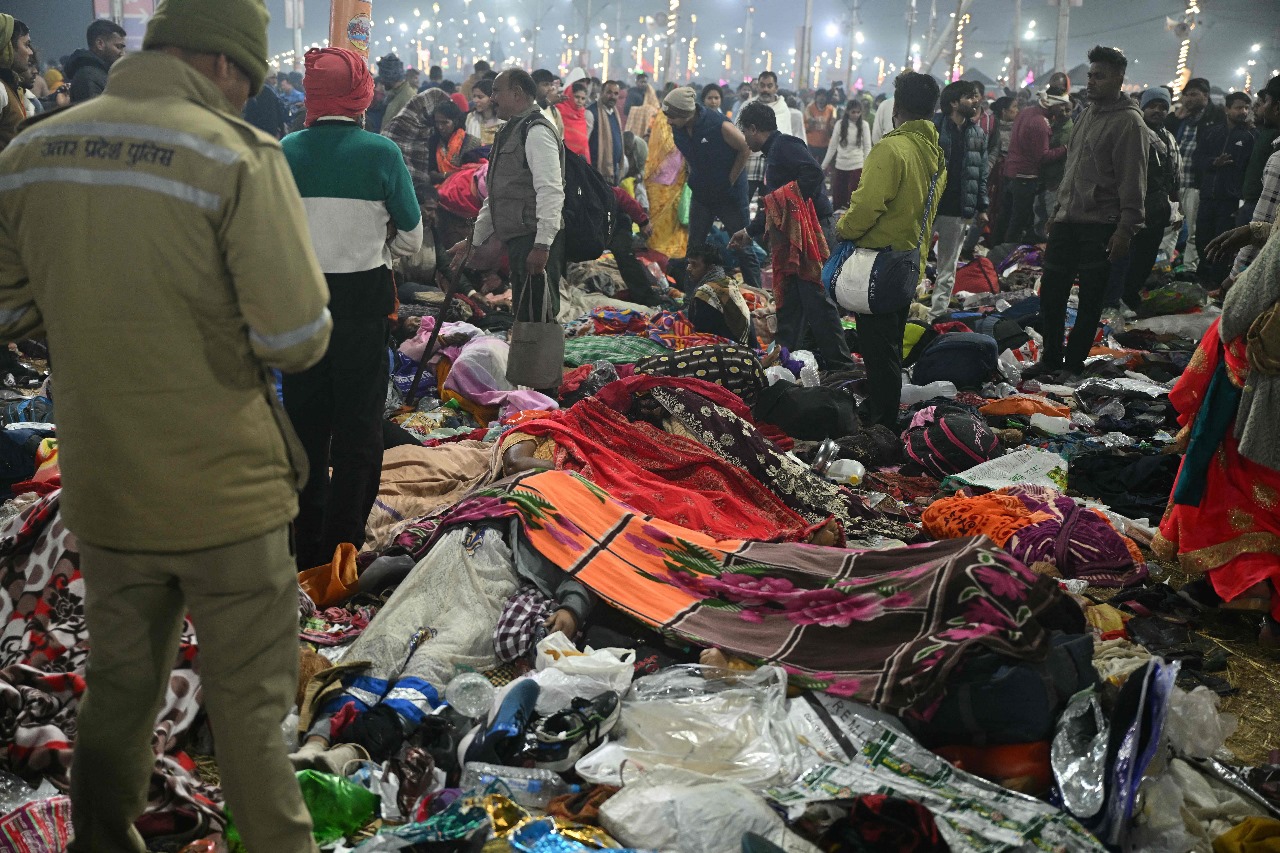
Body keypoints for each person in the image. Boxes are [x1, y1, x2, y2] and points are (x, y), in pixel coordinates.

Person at [0, 0, 334, 848]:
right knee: (251, 713)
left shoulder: (31, 152)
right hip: (228, 492)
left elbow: (8, 308)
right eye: (247, 79)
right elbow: (296, 337)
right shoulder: (236, 155)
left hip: (106, 484)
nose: (247, 95)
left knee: (118, 688)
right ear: (222, 63)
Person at [281, 46, 421, 573]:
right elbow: (411, 238)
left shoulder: (285, 151)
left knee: (306, 426)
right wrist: (376, 246)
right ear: (361, 95)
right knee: (359, 429)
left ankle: (306, 539)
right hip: (362, 309)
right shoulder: (381, 153)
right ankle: (344, 543)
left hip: (300, 309)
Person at [1155, 223, 1280, 646]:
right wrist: (1262, 231)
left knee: (1237, 475)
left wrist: (1230, 316)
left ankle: (1248, 582)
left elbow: (1247, 303)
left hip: (1265, 384)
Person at [1030, 45, 1148, 381]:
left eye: (1101, 76)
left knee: (1090, 300)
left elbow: (1133, 179)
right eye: (1091, 75)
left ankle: (1072, 364)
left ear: (1119, 79)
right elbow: (1071, 169)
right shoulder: (1086, 114)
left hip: (1100, 225)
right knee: (1052, 293)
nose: (1092, 82)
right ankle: (1051, 359)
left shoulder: (1129, 122)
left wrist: (1125, 230)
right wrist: (1058, 210)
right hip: (1067, 220)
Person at [836, 71, 945, 428]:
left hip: (879, 264)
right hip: (910, 260)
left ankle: (882, 423)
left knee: (877, 349)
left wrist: (842, 229)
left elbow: (867, 207)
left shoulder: (891, 149)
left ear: (896, 108)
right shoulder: (934, 152)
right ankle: (884, 411)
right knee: (891, 345)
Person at [733, 101, 854, 370]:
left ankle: (842, 365)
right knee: (790, 300)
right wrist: (750, 231)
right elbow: (774, 205)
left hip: (813, 230)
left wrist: (790, 204)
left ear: (754, 128)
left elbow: (813, 174)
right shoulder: (774, 152)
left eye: (745, 133)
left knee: (816, 298)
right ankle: (785, 360)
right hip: (795, 234)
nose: (745, 140)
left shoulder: (785, 145)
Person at [453, 69, 564, 354]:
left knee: (538, 318)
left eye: (496, 91)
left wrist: (542, 244)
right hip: (520, 241)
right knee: (525, 317)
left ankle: (543, 378)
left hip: (533, 240)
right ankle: (528, 376)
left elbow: (551, 191)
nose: (492, 98)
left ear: (516, 94)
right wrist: (473, 240)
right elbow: (497, 195)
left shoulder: (536, 131)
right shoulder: (511, 130)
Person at [662, 86, 761, 288]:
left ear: (685, 113)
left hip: (729, 196)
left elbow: (745, 148)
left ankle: (757, 295)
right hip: (702, 194)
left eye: (672, 116)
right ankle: (692, 296)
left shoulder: (718, 125)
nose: (668, 121)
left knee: (742, 247)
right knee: (694, 248)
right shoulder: (678, 127)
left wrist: (729, 181)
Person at [1110, 87, 1180, 313]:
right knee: (1124, 258)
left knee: (1145, 258)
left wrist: (1175, 208)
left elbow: (1173, 177)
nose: (1157, 111)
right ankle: (1115, 299)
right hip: (1132, 208)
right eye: (1152, 106)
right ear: (1142, 107)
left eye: (1162, 107)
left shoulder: (1168, 137)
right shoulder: (1133, 133)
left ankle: (1130, 295)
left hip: (1157, 210)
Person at [929, 80, 989, 320]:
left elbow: (980, 173)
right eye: (970, 97)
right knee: (913, 260)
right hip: (929, 207)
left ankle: (936, 315)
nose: (976, 101)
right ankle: (905, 309)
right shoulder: (933, 127)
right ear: (954, 102)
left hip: (958, 209)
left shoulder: (977, 134)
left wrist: (982, 207)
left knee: (948, 266)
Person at [1193, 91, 1256, 290]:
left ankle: (1217, 281)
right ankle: (1202, 276)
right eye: (1238, 107)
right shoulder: (1212, 132)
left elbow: (1249, 169)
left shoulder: (1250, 136)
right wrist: (1214, 162)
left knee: (1223, 241)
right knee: (1202, 237)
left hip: (1229, 200)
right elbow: (1197, 159)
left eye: (1246, 108)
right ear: (1227, 109)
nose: (1243, 112)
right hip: (1208, 196)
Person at [997, 90, 1068, 244]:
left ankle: (997, 247)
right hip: (1025, 176)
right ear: (1051, 104)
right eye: (1061, 106)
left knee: (1006, 215)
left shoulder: (1026, 112)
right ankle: (1008, 250)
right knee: (1019, 220)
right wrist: (1065, 148)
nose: (1063, 110)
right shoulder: (1040, 123)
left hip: (1011, 172)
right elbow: (1042, 156)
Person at [1166, 77, 1222, 271]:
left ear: (1205, 95)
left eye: (1193, 95)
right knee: (1170, 227)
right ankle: (1163, 267)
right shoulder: (1183, 118)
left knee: (1193, 231)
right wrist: (1175, 118)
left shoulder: (1215, 117)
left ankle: (1190, 269)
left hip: (1196, 183)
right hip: (1175, 183)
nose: (1188, 99)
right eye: (1186, 95)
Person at [738, 71, 802, 203]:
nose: (765, 89)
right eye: (762, 85)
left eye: (769, 86)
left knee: (769, 204)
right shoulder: (747, 106)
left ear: (776, 88)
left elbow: (785, 135)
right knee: (742, 200)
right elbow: (739, 132)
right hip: (749, 160)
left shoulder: (783, 109)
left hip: (773, 162)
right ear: (757, 87)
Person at [684, 244, 758, 346]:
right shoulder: (727, 281)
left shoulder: (706, 293)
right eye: (689, 263)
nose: (688, 268)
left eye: (694, 264)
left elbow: (701, 334)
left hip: (730, 349)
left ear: (710, 267)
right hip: (748, 345)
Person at [643, 110, 689, 259]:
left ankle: (674, 256)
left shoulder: (686, 122)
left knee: (676, 218)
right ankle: (658, 255)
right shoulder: (663, 119)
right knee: (658, 223)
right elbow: (666, 143)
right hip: (659, 181)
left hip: (678, 180)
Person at [609, 185, 660, 304]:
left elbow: (623, 198)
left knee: (626, 257)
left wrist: (643, 221)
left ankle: (647, 297)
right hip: (601, 225)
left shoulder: (601, 189)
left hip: (618, 223)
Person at [1034, 89, 1075, 239]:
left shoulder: (1071, 131)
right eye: (1062, 108)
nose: (1064, 112)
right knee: (1040, 217)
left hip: (1057, 182)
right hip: (1045, 181)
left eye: (1068, 109)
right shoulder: (1052, 125)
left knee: (1052, 219)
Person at [1241, 81, 1280, 227]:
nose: (1260, 108)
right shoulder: (1261, 133)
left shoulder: (1277, 158)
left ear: (1277, 107)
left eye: (1266, 102)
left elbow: (1260, 229)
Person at [822, 98, 871, 209]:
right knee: (838, 199)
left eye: (858, 112)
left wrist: (867, 166)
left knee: (854, 200)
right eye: (853, 112)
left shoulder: (864, 125)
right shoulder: (839, 124)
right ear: (847, 111)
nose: (856, 115)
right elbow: (832, 147)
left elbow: (867, 147)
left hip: (857, 165)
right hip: (841, 165)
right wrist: (823, 166)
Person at [65, 18, 126, 103]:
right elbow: (97, 111)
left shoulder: (99, 73)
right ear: (100, 44)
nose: (123, 53)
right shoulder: (88, 78)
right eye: (118, 47)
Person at [426, 99, 481, 184]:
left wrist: (443, 176)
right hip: (438, 187)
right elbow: (431, 172)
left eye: (445, 123)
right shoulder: (434, 141)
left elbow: (470, 173)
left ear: (455, 121)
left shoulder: (471, 142)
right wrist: (447, 175)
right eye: (437, 122)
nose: (440, 127)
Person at [0, 16, 33, 151]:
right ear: (7, 47)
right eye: (26, 45)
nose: (30, 52)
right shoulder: (1, 89)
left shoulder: (10, 85)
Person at [586, 79, 625, 184]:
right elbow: (584, 144)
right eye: (609, 92)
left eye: (616, 93)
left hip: (613, 172)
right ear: (601, 92)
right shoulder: (591, 113)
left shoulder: (615, 113)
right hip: (596, 172)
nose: (613, 96)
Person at [243, 70, 287, 136]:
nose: (275, 81)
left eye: (276, 78)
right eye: (272, 78)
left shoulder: (268, 90)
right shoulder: (266, 91)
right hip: (265, 130)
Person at [557, 79, 591, 161]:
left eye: (583, 98)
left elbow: (583, 142)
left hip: (579, 160)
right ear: (569, 95)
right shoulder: (559, 111)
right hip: (562, 158)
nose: (580, 101)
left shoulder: (582, 114)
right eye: (577, 97)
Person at [379, 52, 416, 124]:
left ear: (390, 77)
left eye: (383, 77)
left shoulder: (407, 98)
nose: (382, 81)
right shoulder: (394, 94)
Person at [466, 76, 503, 146]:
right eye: (474, 96)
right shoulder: (472, 118)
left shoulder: (505, 119)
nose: (475, 100)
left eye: (480, 97)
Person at [805, 88, 836, 162]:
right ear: (816, 97)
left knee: (822, 166)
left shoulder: (831, 109)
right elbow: (804, 126)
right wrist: (810, 125)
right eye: (819, 96)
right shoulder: (809, 109)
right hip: (811, 144)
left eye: (824, 96)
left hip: (825, 144)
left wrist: (832, 126)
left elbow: (833, 127)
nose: (821, 98)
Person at [532, 68, 565, 137]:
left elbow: (560, 136)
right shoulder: (526, 106)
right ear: (534, 85)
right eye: (546, 84)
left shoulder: (553, 110)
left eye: (551, 84)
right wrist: (546, 102)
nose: (550, 88)